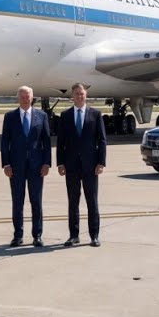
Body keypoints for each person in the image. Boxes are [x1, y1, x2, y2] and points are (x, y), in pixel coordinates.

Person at [57, 83, 107, 247]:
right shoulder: (65, 115)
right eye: (76, 94)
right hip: (71, 165)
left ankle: (94, 236)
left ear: (86, 96)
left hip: (91, 165)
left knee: (92, 201)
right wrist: (60, 163)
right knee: (73, 201)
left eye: (82, 94)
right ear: (72, 96)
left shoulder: (95, 114)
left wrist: (101, 162)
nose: (79, 96)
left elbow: (102, 140)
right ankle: (73, 235)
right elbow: (61, 142)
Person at [1, 87, 51, 247]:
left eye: (27, 96)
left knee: (36, 201)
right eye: (21, 96)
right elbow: (4, 143)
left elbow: (47, 142)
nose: (24, 98)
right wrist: (6, 164)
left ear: (32, 98)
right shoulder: (9, 117)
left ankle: (37, 235)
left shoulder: (42, 116)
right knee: (17, 202)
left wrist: (46, 163)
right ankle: (18, 235)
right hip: (15, 167)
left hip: (37, 167)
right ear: (18, 98)